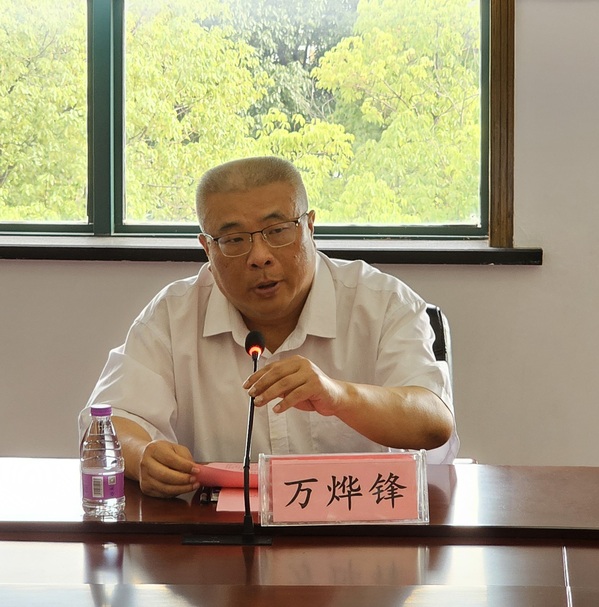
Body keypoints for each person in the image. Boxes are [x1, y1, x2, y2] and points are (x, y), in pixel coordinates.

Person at [80, 156, 459, 498]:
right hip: (221, 537)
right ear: (207, 249)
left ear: (310, 226)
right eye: (234, 240)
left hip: (362, 528)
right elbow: (106, 424)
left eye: (277, 231)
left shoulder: (382, 302)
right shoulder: (173, 315)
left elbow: (433, 420)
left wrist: (338, 395)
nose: (259, 257)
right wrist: (142, 455)